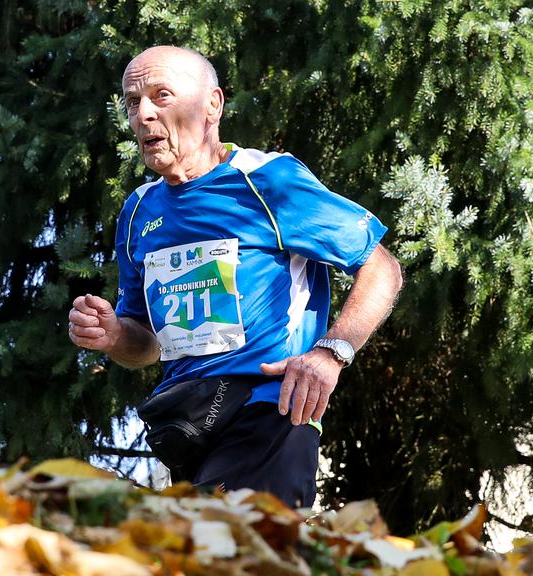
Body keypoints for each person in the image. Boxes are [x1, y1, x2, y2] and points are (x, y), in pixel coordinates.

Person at [67, 46, 403, 509]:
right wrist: (113, 334)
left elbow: (380, 264)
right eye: (131, 101)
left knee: (231, 559)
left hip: (272, 411)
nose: (142, 114)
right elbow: (146, 344)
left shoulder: (268, 181)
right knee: (200, 568)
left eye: (161, 95)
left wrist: (332, 352)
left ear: (212, 105)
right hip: (188, 425)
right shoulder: (138, 211)